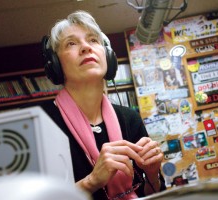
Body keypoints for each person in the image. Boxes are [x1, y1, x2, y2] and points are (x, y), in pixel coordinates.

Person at [39, 10, 166, 199]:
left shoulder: (130, 118)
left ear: (108, 56)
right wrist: (92, 181)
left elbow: (152, 193)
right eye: (71, 43)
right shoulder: (40, 122)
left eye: (93, 40)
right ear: (55, 64)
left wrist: (153, 174)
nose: (85, 47)